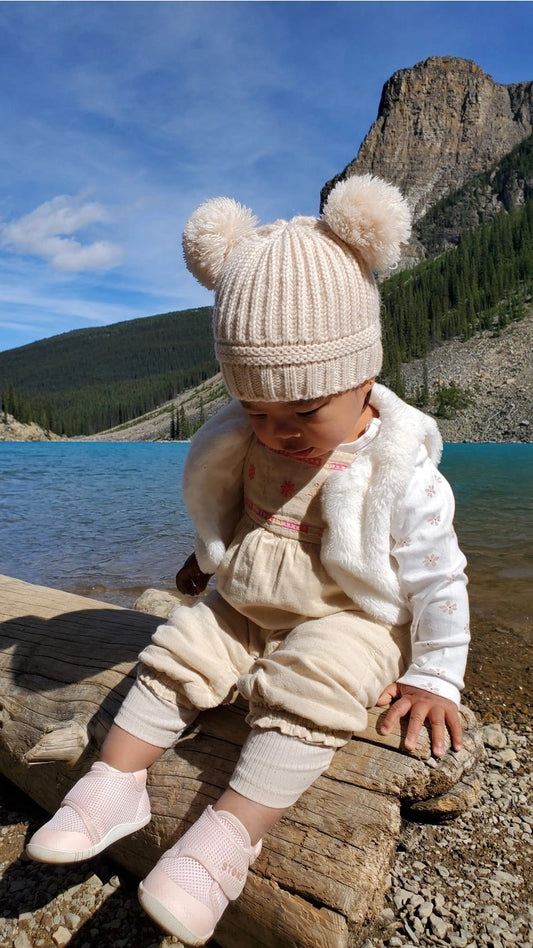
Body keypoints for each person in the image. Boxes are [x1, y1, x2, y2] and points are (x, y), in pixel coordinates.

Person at [26, 174, 470, 947]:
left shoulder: (395, 469)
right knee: (181, 647)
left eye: (304, 411)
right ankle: (115, 781)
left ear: (365, 376)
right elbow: (238, 513)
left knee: (316, 686)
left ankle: (231, 838)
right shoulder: (254, 435)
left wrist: (435, 675)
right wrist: (207, 560)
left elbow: (439, 577)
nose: (279, 432)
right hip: (250, 596)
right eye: (256, 412)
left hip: (348, 615)